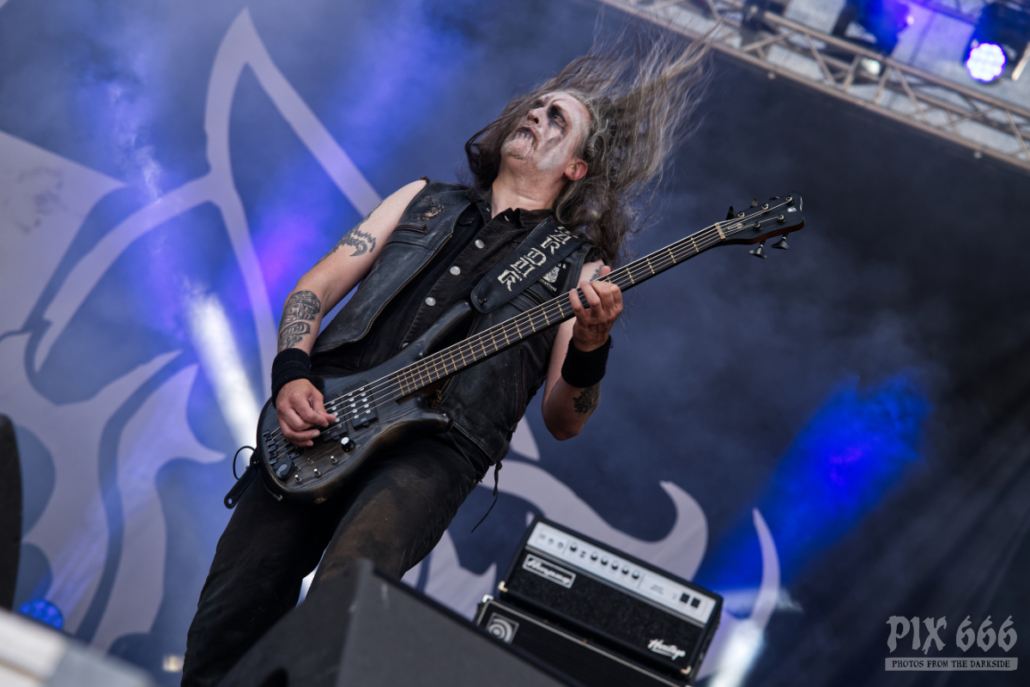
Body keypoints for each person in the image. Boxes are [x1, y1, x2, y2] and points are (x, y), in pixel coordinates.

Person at [181, 33, 707, 687]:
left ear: (576, 168)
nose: (536, 114)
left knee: (344, 595)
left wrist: (592, 343)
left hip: (436, 448)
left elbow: (565, 419)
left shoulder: (580, 268)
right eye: (536, 105)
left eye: (557, 119)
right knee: (231, 609)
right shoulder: (422, 199)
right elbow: (315, 288)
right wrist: (291, 374)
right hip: (325, 409)